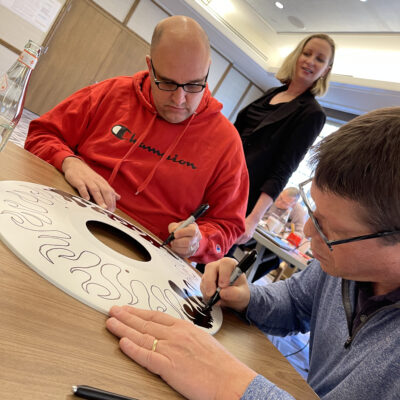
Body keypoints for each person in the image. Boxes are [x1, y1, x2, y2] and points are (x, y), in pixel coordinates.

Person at [106, 107, 400, 399]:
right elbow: (296, 302)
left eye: (329, 229)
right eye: (315, 212)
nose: (309, 232)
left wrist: (234, 386)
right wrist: (247, 298)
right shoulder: (341, 266)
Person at [24, 16, 249, 264]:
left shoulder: (227, 143)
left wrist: (200, 240)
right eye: (167, 83)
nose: (179, 99)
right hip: (68, 215)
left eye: (194, 85)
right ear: (150, 66)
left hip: (149, 257)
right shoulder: (112, 93)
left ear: (207, 72)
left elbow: (229, 225)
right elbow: (41, 134)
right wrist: (69, 162)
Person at [235, 33, 335, 246]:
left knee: (207, 265)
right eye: (307, 53)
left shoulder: (312, 113)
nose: (310, 61)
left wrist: (253, 219)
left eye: (320, 59)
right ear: (297, 55)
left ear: (326, 70)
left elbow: (283, 170)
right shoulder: (272, 93)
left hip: (242, 196)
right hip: (219, 178)